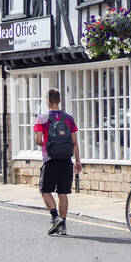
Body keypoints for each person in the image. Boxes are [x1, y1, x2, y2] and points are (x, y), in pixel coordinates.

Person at [33, 89, 82, 236]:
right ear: (59, 100)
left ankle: (55, 218)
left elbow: (38, 140)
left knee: (45, 191)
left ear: (47, 101)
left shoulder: (42, 118)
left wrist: (48, 145)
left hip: (50, 160)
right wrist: (77, 161)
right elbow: (74, 142)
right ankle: (63, 225)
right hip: (66, 160)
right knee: (63, 193)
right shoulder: (68, 118)